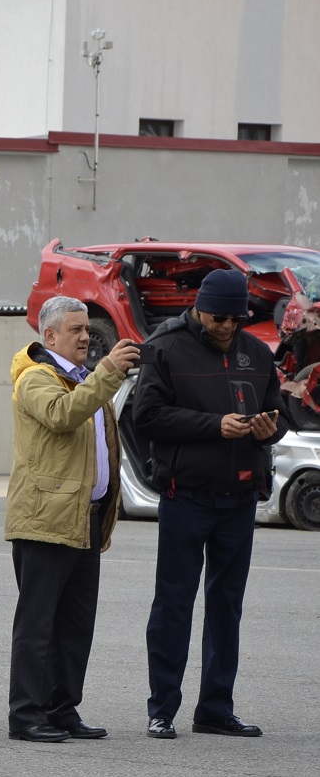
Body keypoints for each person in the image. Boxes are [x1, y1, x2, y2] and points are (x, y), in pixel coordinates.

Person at [133, 269, 286, 739]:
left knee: (227, 605)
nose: (225, 327)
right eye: (218, 317)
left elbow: (279, 418)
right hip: (186, 496)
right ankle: (162, 709)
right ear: (200, 308)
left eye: (235, 319)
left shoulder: (257, 353)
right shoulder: (164, 347)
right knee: (174, 603)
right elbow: (147, 416)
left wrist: (268, 430)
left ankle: (216, 708)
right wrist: (213, 426)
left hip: (240, 498)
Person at [5, 296, 139, 742]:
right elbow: (63, 416)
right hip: (45, 519)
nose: (86, 336)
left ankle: (62, 710)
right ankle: (26, 715)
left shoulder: (83, 378)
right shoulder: (35, 379)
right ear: (50, 336)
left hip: (85, 518)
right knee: (38, 624)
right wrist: (109, 373)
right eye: (76, 329)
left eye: (87, 329)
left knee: (76, 625)